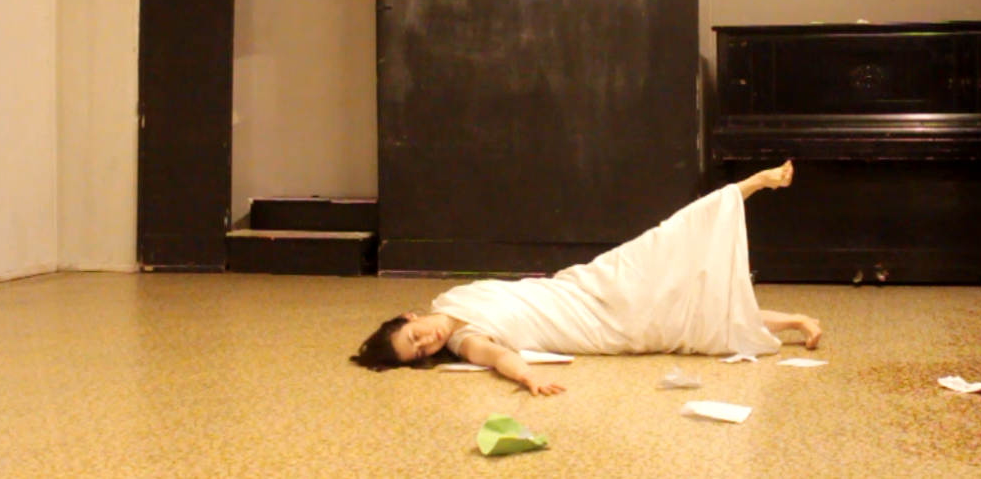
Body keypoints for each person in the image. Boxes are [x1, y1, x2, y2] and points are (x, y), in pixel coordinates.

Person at [350, 161, 822, 395]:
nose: (427, 342)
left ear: (410, 316)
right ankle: (798, 321)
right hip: (602, 327)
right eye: (420, 352)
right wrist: (527, 377)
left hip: (587, 286)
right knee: (696, 318)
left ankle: (750, 185)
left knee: (666, 241)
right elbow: (497, 357)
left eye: (414, 336)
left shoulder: (451, 296)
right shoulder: (465, 342)